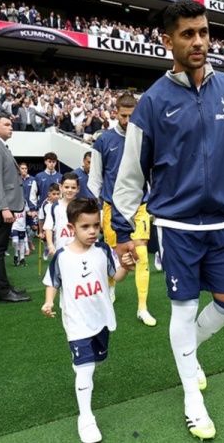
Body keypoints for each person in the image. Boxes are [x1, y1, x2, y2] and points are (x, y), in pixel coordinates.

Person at [109, 1, 224, 439]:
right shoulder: (152, 103)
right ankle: (192, 398)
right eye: (187, 34)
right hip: (177, 228)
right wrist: (123, 231)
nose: (198, 41)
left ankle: (187, 353)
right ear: (168, 41)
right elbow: (130, 176)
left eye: (203, 32)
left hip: (222, 223)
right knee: (182, 310)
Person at [41, 197, 133, 443]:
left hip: (101, 318)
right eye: (85, 226)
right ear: (72, 227)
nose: (92, 231)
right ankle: (86, 418)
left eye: (96, 225)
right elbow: (52, 282)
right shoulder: (62, 256)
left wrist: (126, 266)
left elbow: (117, 276)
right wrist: (49, 302)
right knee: (85, 369)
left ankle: (83, 368)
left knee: (97, 360)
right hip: (76, 321)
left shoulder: (103, 250)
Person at [89, 93, 156, 325]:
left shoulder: (146, 139)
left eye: (131, 116)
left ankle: (142, 307)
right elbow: (95, 178)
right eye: (123, 116)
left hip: (140, 206)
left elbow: (152, 173)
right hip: (112, 207)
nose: (127, 120)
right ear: (115, 113)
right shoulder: (103, 141)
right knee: (115, 254)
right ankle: (110, 286)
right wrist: (96, 210)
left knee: (141, 254)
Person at [0, 115, 30, 303]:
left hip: (2, 205)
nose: (11, 128)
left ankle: (5, 288)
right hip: (0, 206)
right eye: (7, 124)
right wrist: (4, 207)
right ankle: (3, 291)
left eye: (11, 124)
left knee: (0, 247)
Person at [44, 172, 80, 257]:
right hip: (61, 249)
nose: (69, 190)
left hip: (79, 249)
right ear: (61, 187)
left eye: (73, 187)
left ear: (78, 189)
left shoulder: (82, 206)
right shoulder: (54, 207)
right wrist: (50, 245)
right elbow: (48, 228)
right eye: (66, 187)